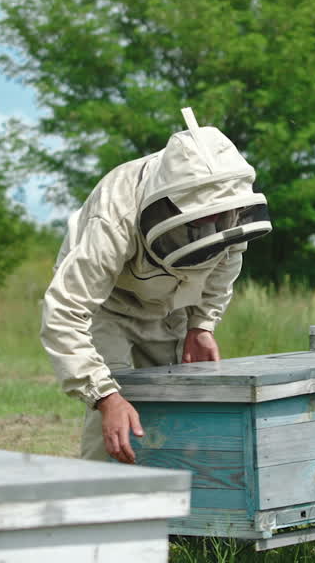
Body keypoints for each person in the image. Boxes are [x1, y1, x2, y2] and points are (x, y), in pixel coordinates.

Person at [40, 107, 272, 464]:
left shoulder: (228, 202)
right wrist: (105, 396)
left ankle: (182, 510)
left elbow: (227, 259)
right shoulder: (114, 212)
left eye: (218, 218)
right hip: (109, 304)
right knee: (118, 410)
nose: (212, 225)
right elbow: (64, 312)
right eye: (203, 219)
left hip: (171, 304)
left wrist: (201, 324)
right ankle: (101, 505)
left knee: (179, 401)